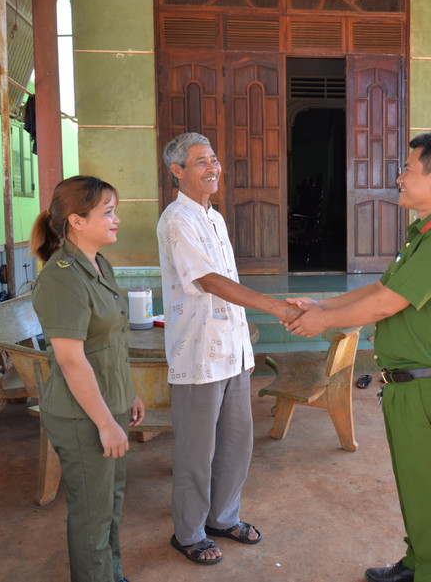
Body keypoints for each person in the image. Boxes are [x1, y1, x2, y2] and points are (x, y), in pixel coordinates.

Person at [286, 132, 431, 582]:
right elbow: (380, 289)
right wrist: (324, 307)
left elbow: (384, 306)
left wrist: (322, 324)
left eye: (407, 170)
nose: (398, 177)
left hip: (429, 388)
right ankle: (418, 563)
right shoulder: (425, 234)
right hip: (412, 385)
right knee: (417, 488)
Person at [156, 132, 302, 565]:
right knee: (196, 453)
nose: (213, 167)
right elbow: (208, 281)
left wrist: (246, 344)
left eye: (214, 159)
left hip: (233, 352)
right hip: (198, 354)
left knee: (237, 444)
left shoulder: (214, 218)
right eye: (201, 162)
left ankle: (222, 518)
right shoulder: (175, 220)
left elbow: (226, 283)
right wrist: (274, 306)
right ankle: (189, 532)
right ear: (177, 171)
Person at [30, 175, 145, 582]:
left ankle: (111, 575)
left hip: (109, 404)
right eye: (108, 212)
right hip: (83, 416)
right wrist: (105, 423)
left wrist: (128, 394)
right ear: (76, 221)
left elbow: (112, 339)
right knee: (92, 514)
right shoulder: (62, 276)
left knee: (109, 505)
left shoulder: (99, 264)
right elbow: (72, 361)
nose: (116, 219)